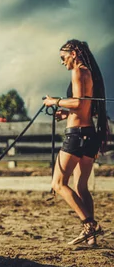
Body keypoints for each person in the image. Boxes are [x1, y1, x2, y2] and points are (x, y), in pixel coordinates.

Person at [43, 39, 109, 245]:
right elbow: (83, 107)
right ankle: (92, 239)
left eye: (63, 58)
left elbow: (78, 102)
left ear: (74, 53)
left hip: (76, 136)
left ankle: (90, 225)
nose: (62, 62)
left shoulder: (79, 72)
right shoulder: (89, 73)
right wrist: (66, 113)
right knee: (81, 187)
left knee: (58, 183)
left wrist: (55, 101)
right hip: (89, 135)